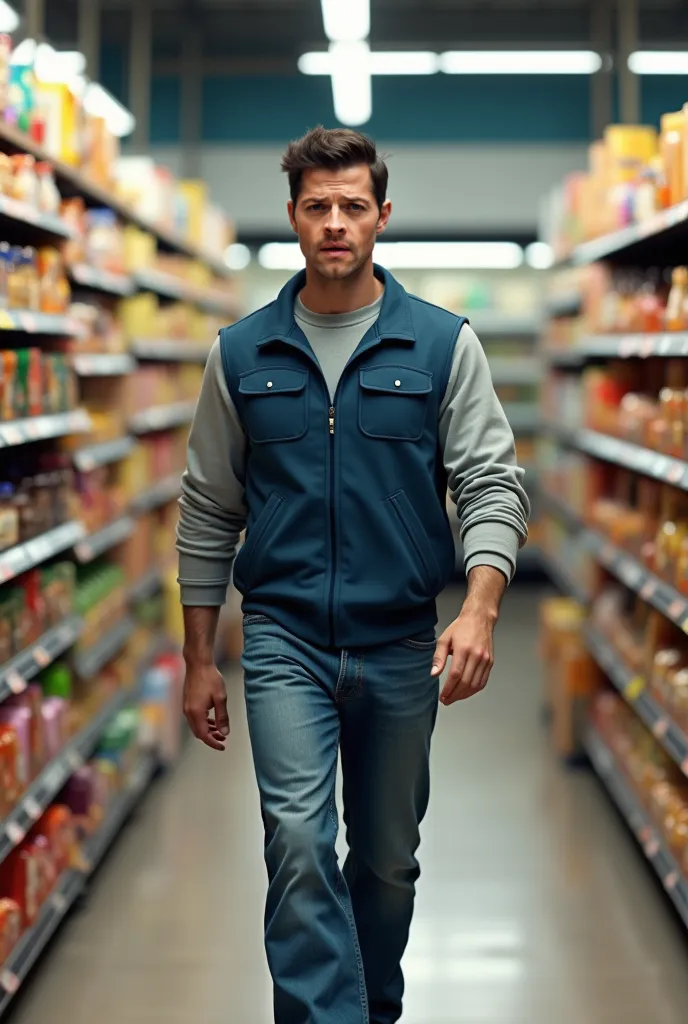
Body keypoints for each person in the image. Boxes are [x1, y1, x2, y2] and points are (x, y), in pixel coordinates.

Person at [176, 125, 529, 1024]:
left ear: (382, 217)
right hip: (283, 638)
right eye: (317, 207)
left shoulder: (443, 346)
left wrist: (481, 606)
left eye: (353, 207)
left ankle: (371, 1008)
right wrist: (198, 656)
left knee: (384, 861)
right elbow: (208, 506)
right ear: (292, 217)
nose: (336, 222)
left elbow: (491, 482)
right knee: (297, 841)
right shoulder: (242, 353)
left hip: (402, 637)